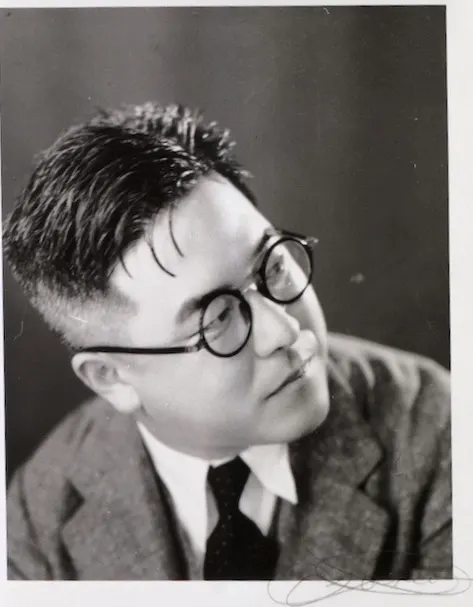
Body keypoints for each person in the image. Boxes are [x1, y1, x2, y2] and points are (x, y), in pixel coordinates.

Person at [3, 102, 451, 581]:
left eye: (273, 266)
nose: (284, 331)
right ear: (111, 377)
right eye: (217, 320)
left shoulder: (436, 432)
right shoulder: (39, 525)